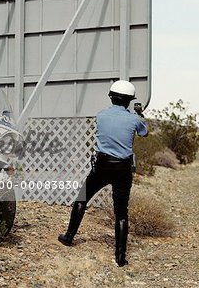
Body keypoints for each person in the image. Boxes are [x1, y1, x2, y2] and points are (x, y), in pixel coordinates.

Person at [58, 80, 148, 267]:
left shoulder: (101, 115)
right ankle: (120, 257)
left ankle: (69, 237)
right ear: (130, 100)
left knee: (82, 198)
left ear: (111, 97)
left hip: (102, 165)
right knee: (121, 213)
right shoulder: (133, 119)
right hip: (122, 168)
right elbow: (144, 132)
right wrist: (139, 115)